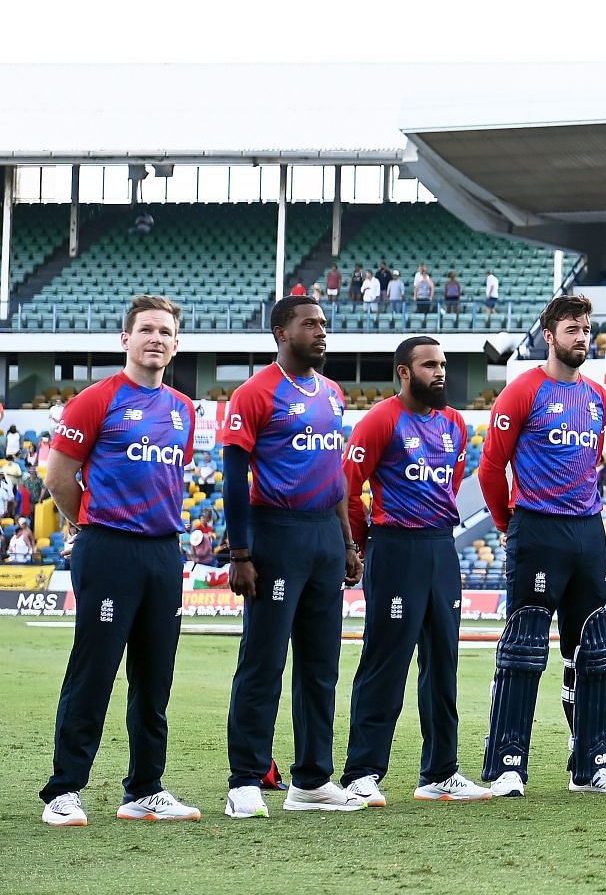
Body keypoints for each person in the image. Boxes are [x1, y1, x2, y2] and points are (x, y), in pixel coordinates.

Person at [38, 296, 201, 827]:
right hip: (108, 547)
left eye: (166, 332)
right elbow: (58, 475)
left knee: (155, 678)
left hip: (162, 552)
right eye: (147, 330)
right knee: (94, 671)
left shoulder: (184, 408)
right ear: (125, 339)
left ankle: (145, 789)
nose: (157, 339)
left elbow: (171, 476)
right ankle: (64, 790)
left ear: (176, 345)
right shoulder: (96, 399)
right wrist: (84, 524)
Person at [477, 294, 606, 797]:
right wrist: (509, 524)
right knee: (523, 648)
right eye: (571, 329)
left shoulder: (597, 397)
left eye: (586, 328)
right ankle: (507, 767)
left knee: (595, 649)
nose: (581, 337)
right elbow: (490, 467)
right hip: (536, 528)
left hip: (587, 532)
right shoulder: (522, 392)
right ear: (549, 335)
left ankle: (591, 766)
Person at [223, 294, 365, 817]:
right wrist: (240, 551)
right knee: (263, 661)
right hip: (274, 535)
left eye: (324, 324)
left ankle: (311, 780)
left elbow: (336, 477)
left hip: (325, 539)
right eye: (310, 324)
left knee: (320, 664)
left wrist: (348, 542)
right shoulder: (254, 393)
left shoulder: (332, 393)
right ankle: (245, 779)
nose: (322, 332)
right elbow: (234, 478)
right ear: (282, 333)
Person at [341, 337, 489, 804]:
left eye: (443, 364)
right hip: (395, 547)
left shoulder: (455, 424)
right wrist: (357, 546)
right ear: (404, 372)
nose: (440, 372)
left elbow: (451, 485)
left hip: (441, 549)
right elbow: (347, 490)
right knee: (385, 660)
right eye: (429, 365)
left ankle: (441, 772)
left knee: (443, 662)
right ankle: (362, 772)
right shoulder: (380, 420)